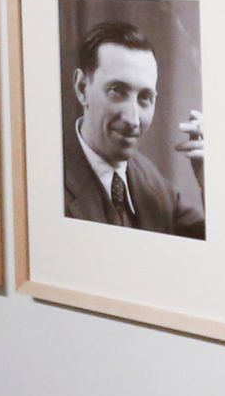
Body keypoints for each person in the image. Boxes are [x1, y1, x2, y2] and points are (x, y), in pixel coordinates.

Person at [62, 20, 204, 238]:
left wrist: (210, 178)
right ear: (82, 88)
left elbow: (206, 248)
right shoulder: (45, 177)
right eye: (116, 90)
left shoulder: (152, 181)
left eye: (145, 97)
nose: (133, 120)